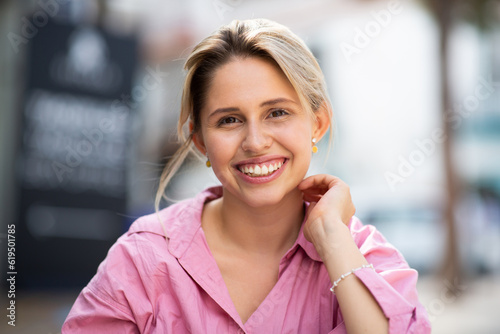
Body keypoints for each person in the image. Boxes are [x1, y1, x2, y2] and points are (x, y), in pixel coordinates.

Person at [62, 18, 431, 333]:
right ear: (201, 141)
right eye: (229, 120)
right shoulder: (142, 260)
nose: (255, 142)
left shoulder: (363, 255)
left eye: (277, 113)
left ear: (317, 124)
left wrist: (333, 239)